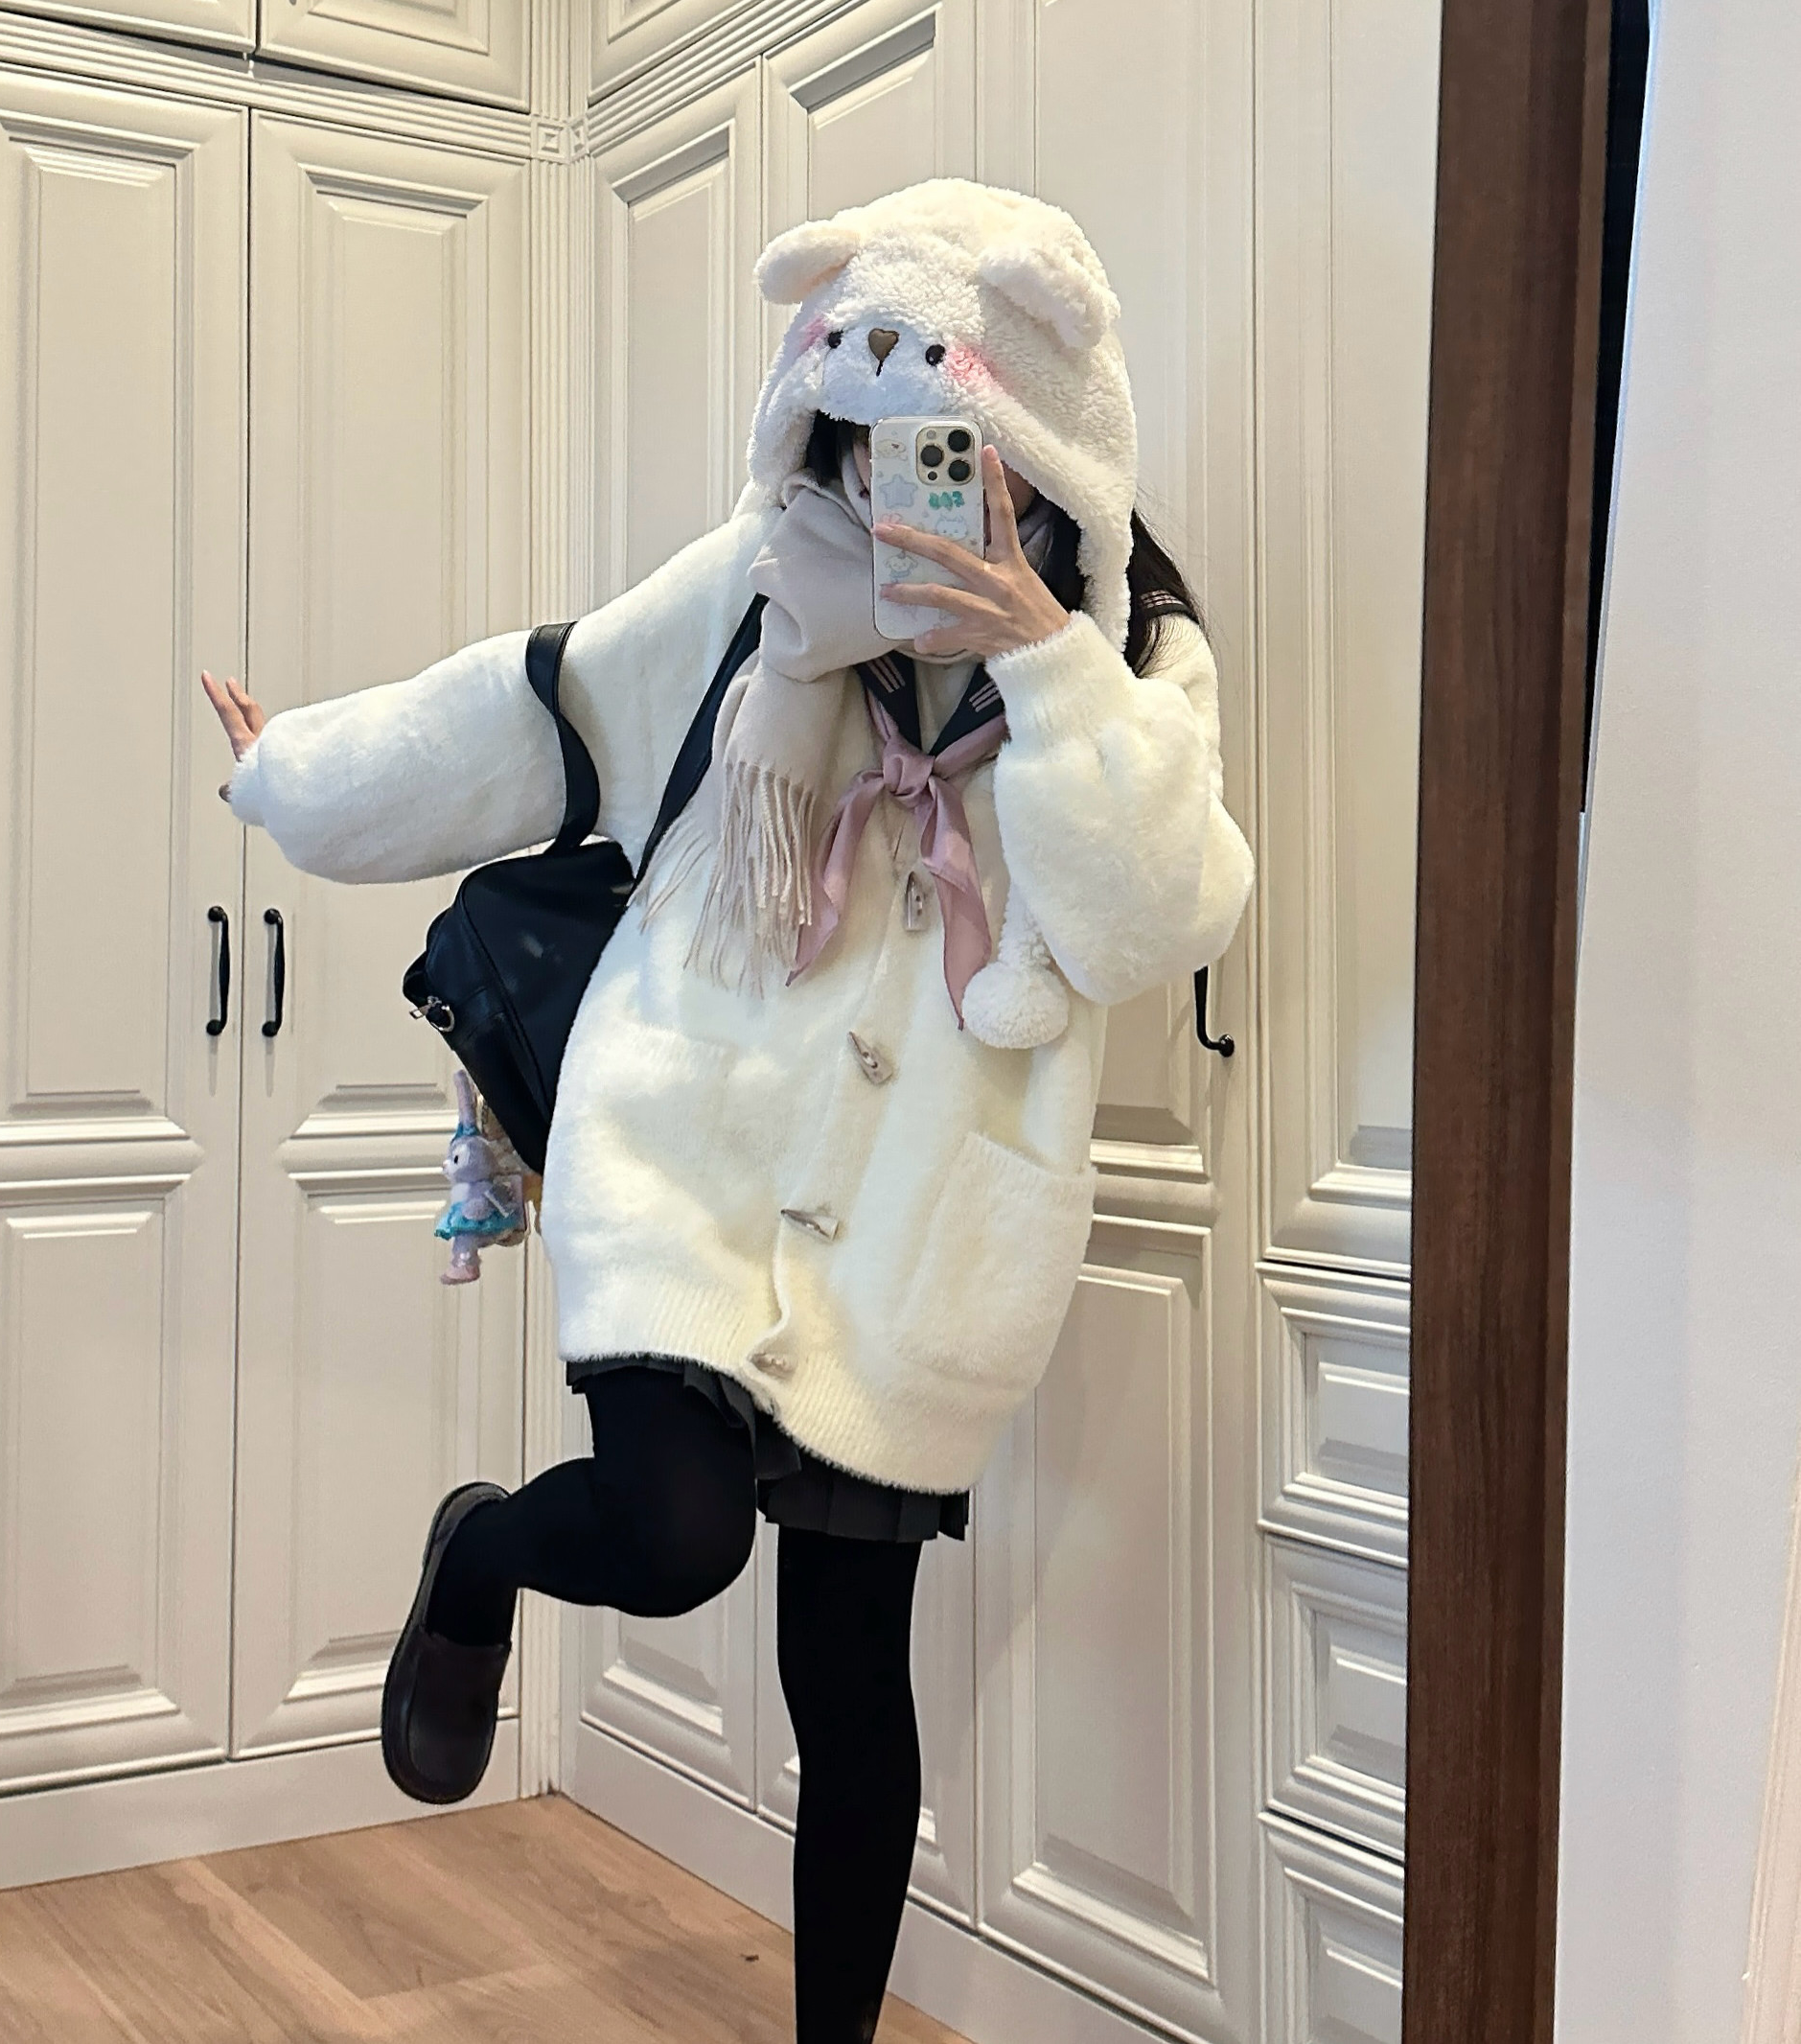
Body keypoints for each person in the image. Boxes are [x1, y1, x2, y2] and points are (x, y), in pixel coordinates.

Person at [202, 176, 1254, 2044]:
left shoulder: (1127, 645)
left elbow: (1149, 916)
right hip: (688, 1142)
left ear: (1035, 440)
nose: (892, 486)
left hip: (922, 1222)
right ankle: (482, 1551)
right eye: (860, 441)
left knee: (848, 1674)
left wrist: (1036, 649)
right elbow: (534, 711)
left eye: (945, 445)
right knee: (674, 1533)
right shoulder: (756, 580)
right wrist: (298, 772)